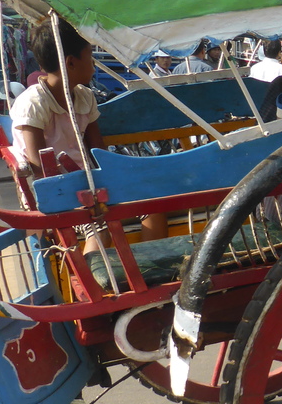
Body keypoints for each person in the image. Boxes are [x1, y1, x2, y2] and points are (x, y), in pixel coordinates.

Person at [11, 19, 166, 241]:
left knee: (152, 207)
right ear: (71, 63)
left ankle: (151, 262)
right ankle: (96, 265)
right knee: (99, 230)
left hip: (89, 184)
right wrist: (84, 198)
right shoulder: (34, 102)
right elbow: (40, 169)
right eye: (90, 57)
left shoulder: (85, 97)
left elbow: (97, 151)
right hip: (54, 195)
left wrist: (115, 183)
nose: (93, 66)